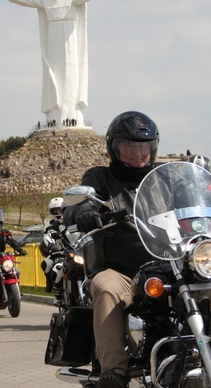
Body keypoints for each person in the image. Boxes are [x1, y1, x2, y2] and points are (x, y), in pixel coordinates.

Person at [62, 111, 160, 388]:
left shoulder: (163, 178)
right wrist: (82, 210)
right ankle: (114, 371)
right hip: (122, 271)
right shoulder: (101, 177)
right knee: (104, 287)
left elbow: (195, 200)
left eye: (143, 146)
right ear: (114, 148)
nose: (137, 152)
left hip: (169, 264)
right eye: (129, 146)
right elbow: (79, 201)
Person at [0, 0, 111, 126]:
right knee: (54, 75)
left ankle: (72, 114)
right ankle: (55, 113)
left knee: (70, 76)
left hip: (69, 38)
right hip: (52, 38)